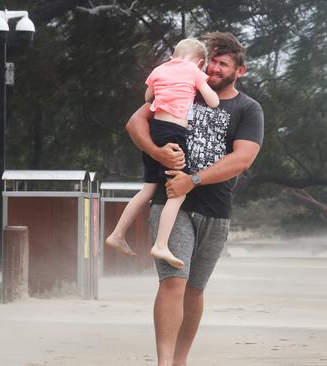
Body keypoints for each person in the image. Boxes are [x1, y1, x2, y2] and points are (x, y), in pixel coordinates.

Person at [125, 32, 263, 366]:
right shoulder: (184, 85)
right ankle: (164, 362)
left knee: (195, 289)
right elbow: (134, 124)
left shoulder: (247, 108)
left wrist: (195, 179)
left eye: (223, 64)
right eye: (211, 61)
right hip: (172, 202)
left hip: (216, 208)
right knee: (173, 281)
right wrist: (158, 152)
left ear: (239, 71)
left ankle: (180, 360)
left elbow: (242, 159)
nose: (214, 69)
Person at [105, 38, 219, 270]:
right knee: (178, 192)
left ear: (174, 55)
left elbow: (148, 97)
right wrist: (198, 86)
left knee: (148, 189)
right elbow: (213, 101)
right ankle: (161, 244)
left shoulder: (159, 69)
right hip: (174, 133)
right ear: (199, 62)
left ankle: (117, 233)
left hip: (155, 130)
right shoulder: (193, 71)